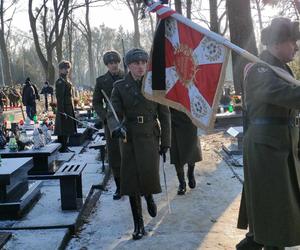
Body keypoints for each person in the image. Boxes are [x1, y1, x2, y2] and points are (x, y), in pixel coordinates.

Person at [236, 17, 300, 250]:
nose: (296, 46)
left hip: (281, 149)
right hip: (267, 152)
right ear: (277, 43)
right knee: (274, 219)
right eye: (292, 41)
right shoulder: (259, 69)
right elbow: (286, 95)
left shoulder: (281, 68)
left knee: (276, 217)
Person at [107, 48, 171, 240]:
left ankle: (149, 195)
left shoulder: (155, 85)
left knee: (149, 174)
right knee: (132, 180)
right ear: (128, 65)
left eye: (144, 63)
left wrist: (166, 142)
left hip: (150, 136)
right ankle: (138, 224)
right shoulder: (119, 86)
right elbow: (113, 112)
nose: (141, 67)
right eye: (136, 63)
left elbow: (165, 114)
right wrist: (116, 127)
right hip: (129, 137)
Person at [93, 50, 124, 200]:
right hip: (111, 123)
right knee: (114, 154)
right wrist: (105, 117)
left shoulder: (127, 76)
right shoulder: (101, 81)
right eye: (110, 63)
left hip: (127, 119)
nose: (113, 65)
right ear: (107, 65)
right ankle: (119, 186)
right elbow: (96, 102)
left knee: (130, 152)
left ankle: (132, 184)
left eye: (116, 62)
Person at [170, 108, 202, 195]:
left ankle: (190, 173)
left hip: (190, 120)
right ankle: (182, 183)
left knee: (192, 151)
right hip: (173, 121)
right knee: (177, 155)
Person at [54, 60, 77, 153]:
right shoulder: (60, 82)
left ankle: (65, 146)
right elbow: (60, 98)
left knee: (68, 128)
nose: (66, 70)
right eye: (64, 68)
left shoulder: (66, 80)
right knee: (63, 129)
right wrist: (62, 111)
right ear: (60, 70)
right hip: (63, 108)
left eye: (68, 68)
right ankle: (62, 147)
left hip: (68, 107)